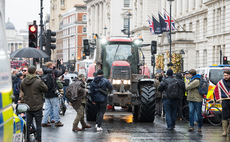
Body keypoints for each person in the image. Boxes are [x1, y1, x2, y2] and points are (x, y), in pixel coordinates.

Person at [20, 65, 48, 142]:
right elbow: (45, 89)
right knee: (38, 125)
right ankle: (39, 139)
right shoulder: (38, 81)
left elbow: (23, 90)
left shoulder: (23, 81)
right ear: (35, 71)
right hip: (37, 105)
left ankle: (27, 139)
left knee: (28, 124)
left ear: (28, 72)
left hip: (28, 105)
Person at [42, 61, 65, 127]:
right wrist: (61, 64)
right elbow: (62, 71)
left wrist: (55, 66)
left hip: (46, 93)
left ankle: (44, 121)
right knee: (55, 107)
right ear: (50, 66)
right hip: (53, 93)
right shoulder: (54, 72)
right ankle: (57, 121)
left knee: (47, 108)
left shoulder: (44, 73)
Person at [214, 70, 230, 136]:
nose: (225, 77)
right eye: (224, 75)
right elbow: (216, 90)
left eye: (227, 75)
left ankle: (229, 130)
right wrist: (218, 99)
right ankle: (224, 131)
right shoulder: (220, 82)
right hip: (225, 100)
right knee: (224, 115)